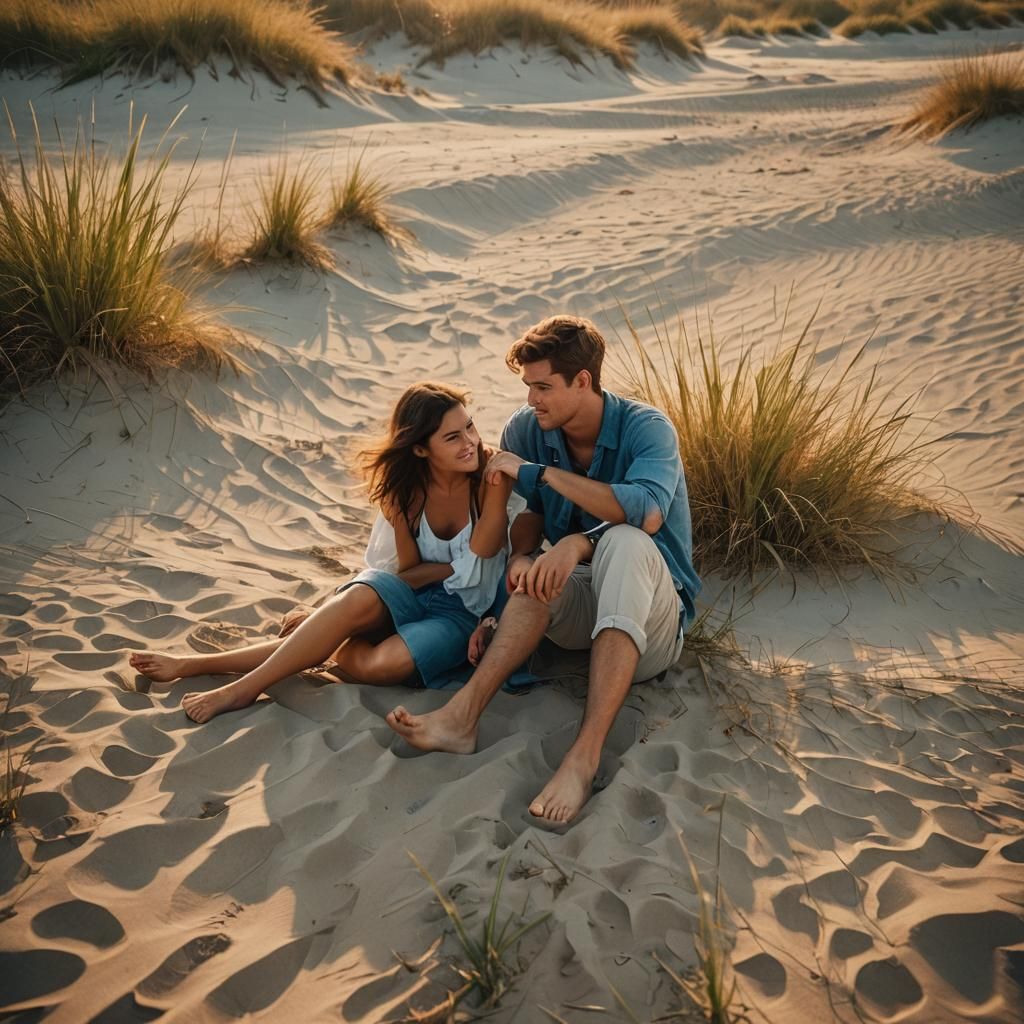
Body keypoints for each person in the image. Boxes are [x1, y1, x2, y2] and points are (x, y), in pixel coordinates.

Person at [386, 316, 701, 824]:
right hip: (585, 609)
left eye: (543, 386)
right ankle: (462, 718)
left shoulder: (647, 428)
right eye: (527, 386)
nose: (531, 399)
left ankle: (584, 757)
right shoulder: (528, 430)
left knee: (623, 539)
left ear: (583, 381)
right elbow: (530, 513)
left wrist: (573, 534)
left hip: (653, 622)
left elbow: (646, 513)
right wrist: (520, 559)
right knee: (534, 577)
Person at [129, 382, 512, 724]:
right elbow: (407, 573)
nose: (470, 443)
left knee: (383, 663)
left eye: (470, 427)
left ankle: (318, 632)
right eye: (452, 437)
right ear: (419, 448)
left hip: (461, 614)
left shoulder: (489, 479)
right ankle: (234, 683)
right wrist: (446, 568)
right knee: (362, 595)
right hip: (408, 596)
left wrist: (443, 566)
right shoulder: (404, 493)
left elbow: (482, 553)